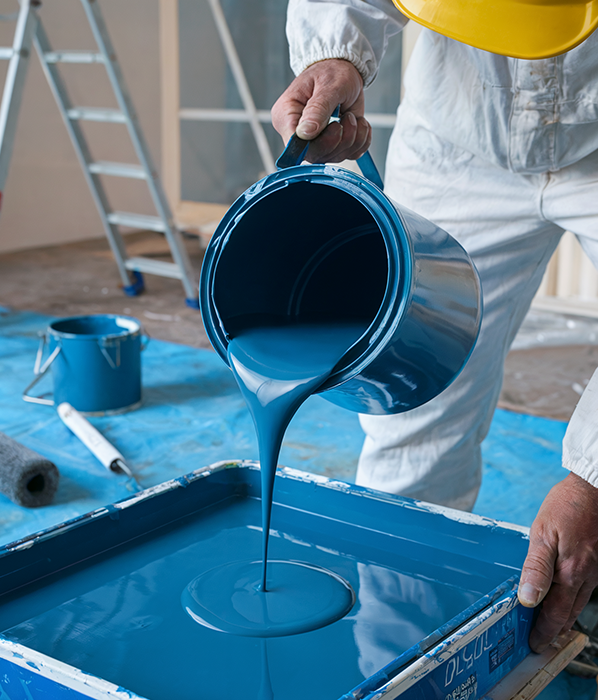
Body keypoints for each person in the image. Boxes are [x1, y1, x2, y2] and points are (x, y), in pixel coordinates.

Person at [271, 0, 598, 655]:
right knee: (412, 399)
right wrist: (335, 51)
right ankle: (398, 649)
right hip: (460, 127)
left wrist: (592, 477)